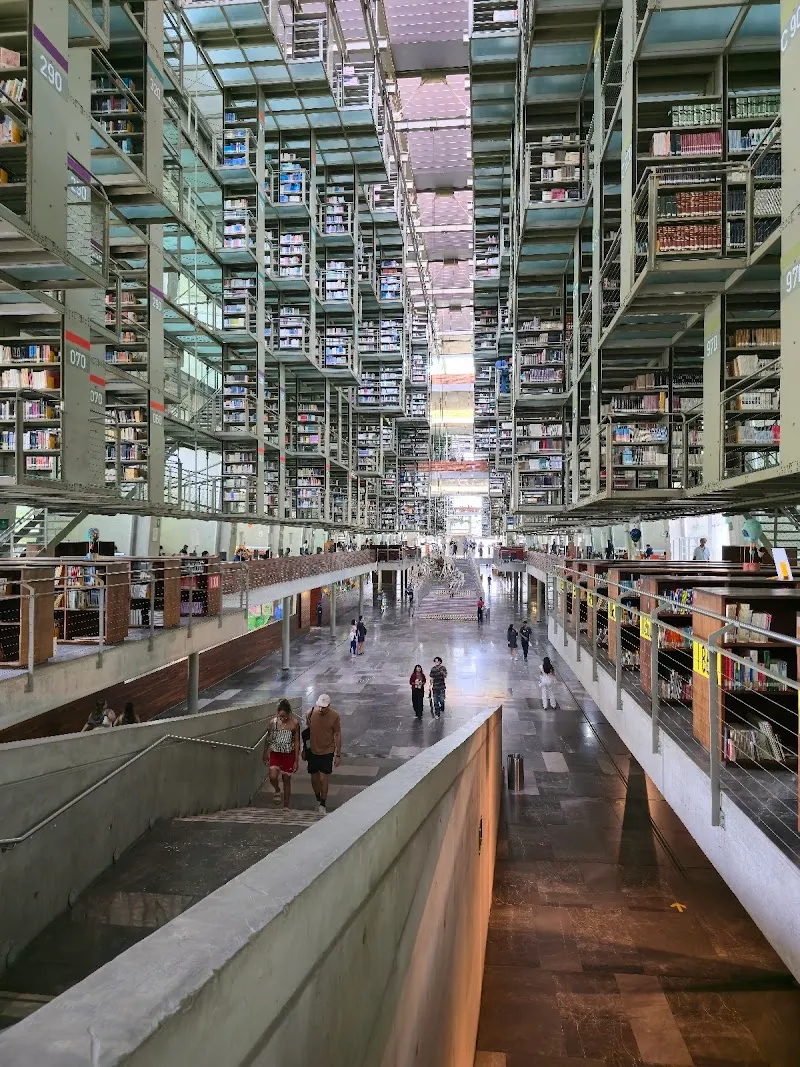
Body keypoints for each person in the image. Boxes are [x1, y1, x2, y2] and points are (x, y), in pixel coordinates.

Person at [305, 694, 341, 814]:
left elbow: (337, 734)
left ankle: (323, 803)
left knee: (323, 778)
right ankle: (318, 798)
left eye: (324, 707)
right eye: (319, 706)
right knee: (314, 778)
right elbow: (307, 732)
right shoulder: (310, 713)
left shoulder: (334, 716)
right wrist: (304, 749)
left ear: (329, 706)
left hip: (327, 750)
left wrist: (338, 754)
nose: (321, 709)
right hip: (313, 751)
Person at [264, 698, 300, 810]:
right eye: (280, 716)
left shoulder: (294, 724)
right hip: (275, 753)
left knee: (286, 779)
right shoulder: (273, 723)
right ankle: (277, 789)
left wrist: (296, 760)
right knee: (273, 776)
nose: (283, 719)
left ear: (289, 713)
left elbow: (297, 741)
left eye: (285, 716)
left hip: (288, 754)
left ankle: (286, 804)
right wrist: (265, 753)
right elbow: (268, 739)